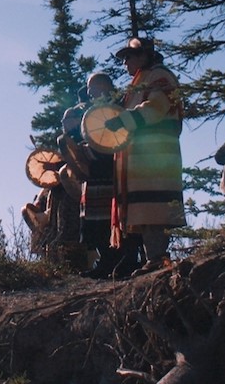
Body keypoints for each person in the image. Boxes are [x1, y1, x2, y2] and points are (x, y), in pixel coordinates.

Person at [104, 37, 185, 274]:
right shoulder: (142, 81)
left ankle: (158, 257)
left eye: (128, 57)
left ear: (143, 57)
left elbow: (156, 107)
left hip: (157, 155)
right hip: (142, 157)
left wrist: (123, 120)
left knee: (155, 206)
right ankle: (154, 257)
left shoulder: (160, 76)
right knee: (147, 207)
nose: (125, 63)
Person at [74, 72, 142, 278]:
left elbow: (122, 135)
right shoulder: (91, 110)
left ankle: (124, 261)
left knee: (115, 218)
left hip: (114, 170)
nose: (89, 93)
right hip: (94, 173)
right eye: (88, 89)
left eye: (93, 88)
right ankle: (106, 262)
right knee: (95, 223)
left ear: (104, 86)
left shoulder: (118, 106)